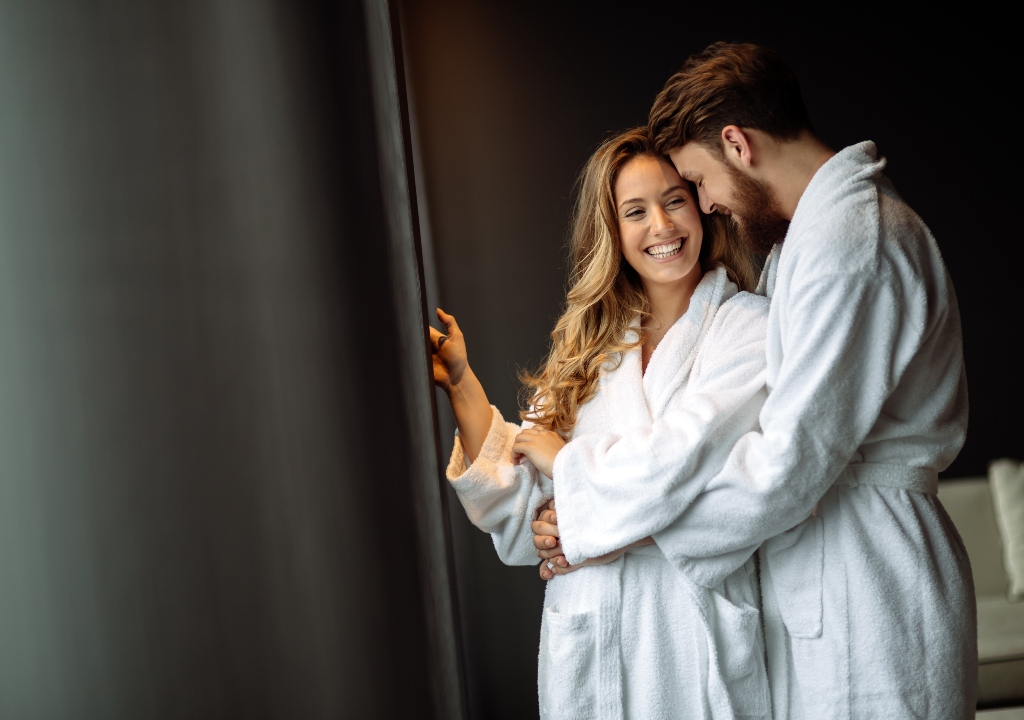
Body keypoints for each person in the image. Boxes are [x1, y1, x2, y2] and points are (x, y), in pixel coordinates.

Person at [531, 42, 976, 720]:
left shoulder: (853, 243)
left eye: (695, 182)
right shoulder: (812, 242)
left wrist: (621, 526)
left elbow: (789, 461)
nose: (705, 206)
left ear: (736, 143)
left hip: (872, 576)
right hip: (827, 570)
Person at [431, 127, 773, 719]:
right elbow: (521, 515)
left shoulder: (747, 329)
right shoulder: (590, 350)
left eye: (674, 200)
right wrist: (462, 383)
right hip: (595, 640)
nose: (662, 227)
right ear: (612, 233)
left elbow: (693, 471)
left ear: (701, 205)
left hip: (690, 637)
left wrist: (575, 490)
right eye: (635, 212)